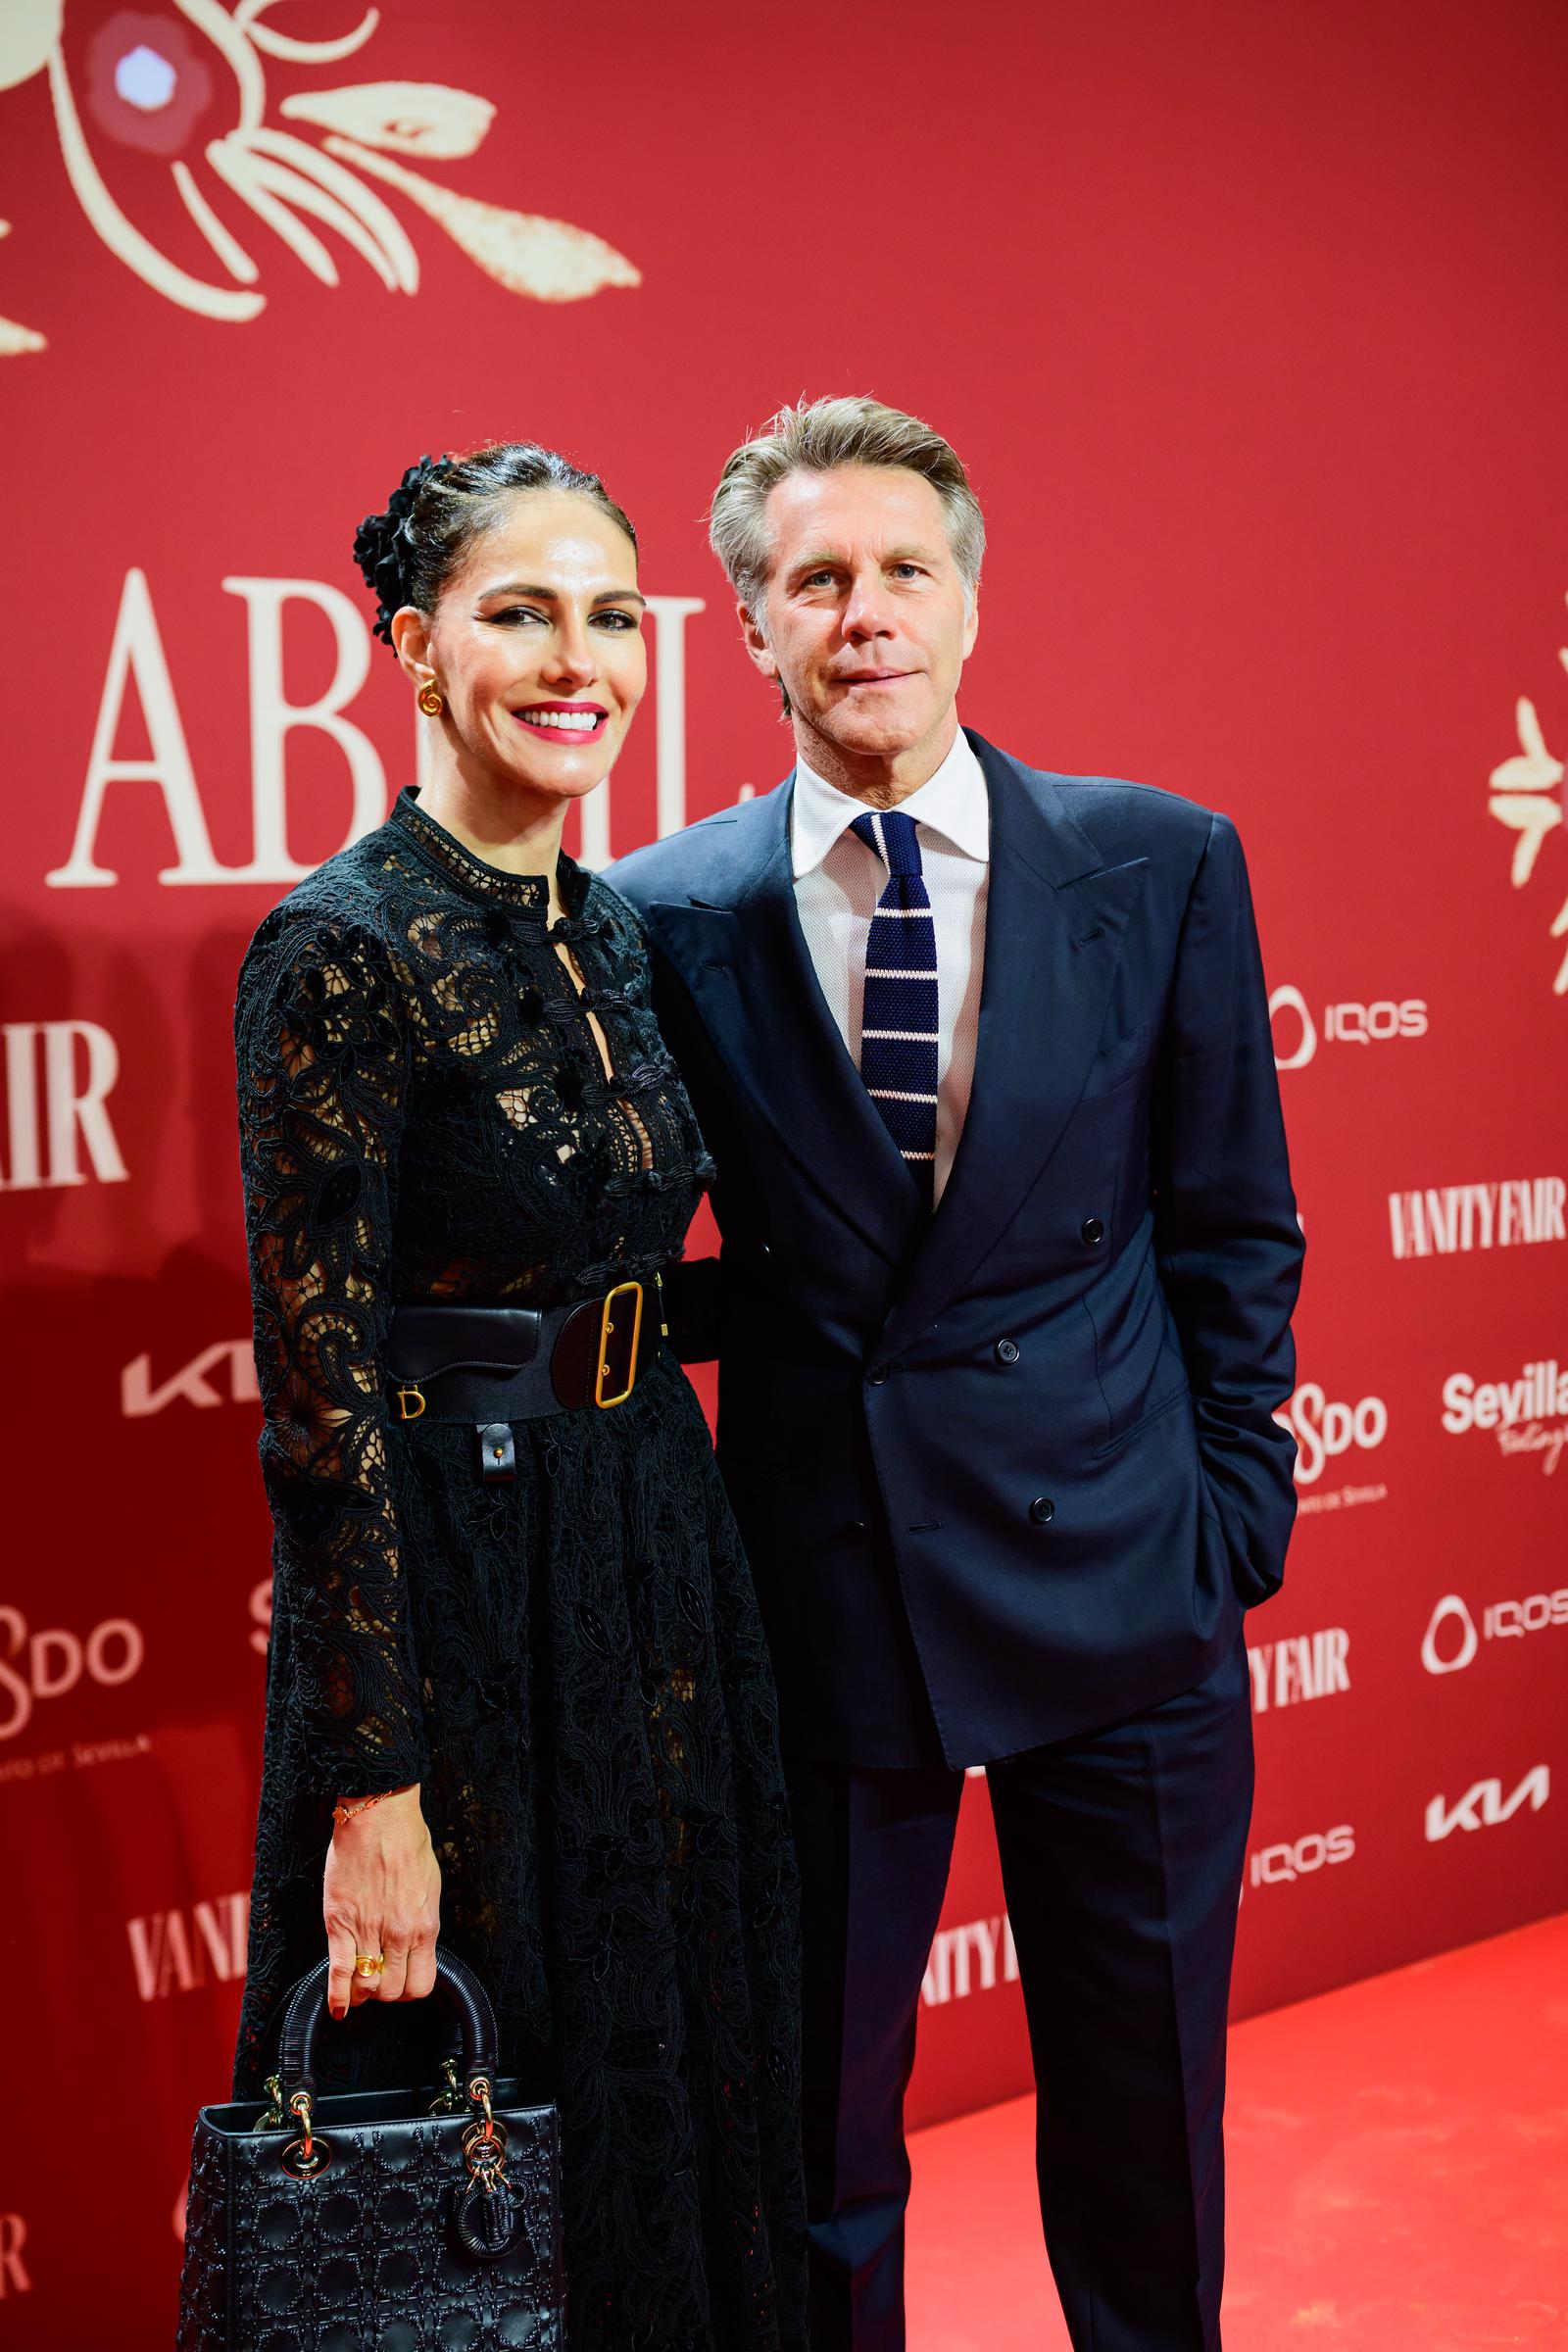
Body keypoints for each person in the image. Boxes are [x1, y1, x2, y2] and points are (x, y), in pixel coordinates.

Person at [608, 396, 1303, 2352]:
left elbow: (1231, 1222)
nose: (866, 613)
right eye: (814, 578)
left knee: (1145, 2126)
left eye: (904, 568)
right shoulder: (661, 914)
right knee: (813, 2154)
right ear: (749, 627)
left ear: (969, 603)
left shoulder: (1157, 861)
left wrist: (1229, 1516)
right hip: (827, 1602)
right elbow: (662, 1265)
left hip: (1128, 1582)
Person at [230, 441, 807, 2352]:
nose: (581, 661)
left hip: (655, 1547)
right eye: (522, 613)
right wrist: (370, 1786)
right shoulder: (340, 951)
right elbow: (320, 1408)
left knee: (675, 2081)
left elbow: (616, 1267)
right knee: (494, 2125)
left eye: (612, 615)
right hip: (466, 1594)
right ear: (413, 647)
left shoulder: (617, 925)